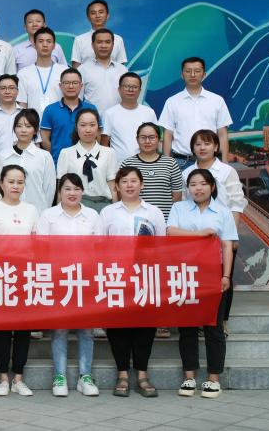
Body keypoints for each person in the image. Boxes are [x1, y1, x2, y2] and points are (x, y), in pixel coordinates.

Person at [167, 169, 236, 399]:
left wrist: (226, 276)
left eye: (203, 184)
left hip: (212, 275)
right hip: (184, 274)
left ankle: (214, 380)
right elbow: (170, 232)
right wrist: (200, 234)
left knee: (213, 328)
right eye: (193, 184)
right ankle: (189, 378)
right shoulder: (178, 208)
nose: (198, 188)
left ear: (212, 187)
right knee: (187, 328)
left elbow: (227, 245)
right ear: (188, 188)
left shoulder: (223, 212)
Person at [100, 166, 166, 398]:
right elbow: (99, 246)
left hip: (145, 277)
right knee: (118, 327)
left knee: (145, 327)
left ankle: (142, 375)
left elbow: (161, 246)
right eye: (124, 181)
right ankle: (122, 374)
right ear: (117, 186)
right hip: (116, 276)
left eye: (134, 181)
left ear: (142, 184)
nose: (129, 185)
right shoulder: (108, 212)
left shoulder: (154, 212)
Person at [36, 173, 103, 397]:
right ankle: (59, 376)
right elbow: (41, 249)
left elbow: (100, 248)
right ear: (59, 192)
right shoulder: (48, 215)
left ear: (82, 191)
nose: (72, 193)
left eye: (76, 188)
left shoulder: (92, 215)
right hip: (58, 279)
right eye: (67, 188)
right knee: (59, 329)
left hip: (86, 279)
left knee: (86, 330)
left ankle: (86, 376)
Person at [0, 165, 39, 396]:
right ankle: (3, 378)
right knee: (3, 328)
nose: (16, 186)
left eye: (20, 182)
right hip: (0, 273)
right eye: (11, 181)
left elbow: (35, 244)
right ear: (1, 183)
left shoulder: (31, 210)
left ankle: (19, 378)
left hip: (24, 274)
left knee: (23, 328)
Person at [182, 129, 246, 328]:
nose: (202, 148)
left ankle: (221, 321)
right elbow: (184, 204)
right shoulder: (186, 173)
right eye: (198, 144)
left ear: (216, 147)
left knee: (223, 279)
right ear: (193, 148)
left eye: (207, 143)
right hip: (195, 237)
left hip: (222, 235)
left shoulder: (227, 171)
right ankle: (199, 320)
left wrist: (232, 235)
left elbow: (236, 203)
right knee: (197, 279)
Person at [159, 57, 232, 168]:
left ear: (204, 74)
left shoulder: (217, 100)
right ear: (182, 75)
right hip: (181, 162)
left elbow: (222, 133)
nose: (192, 75)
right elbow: (168, 135)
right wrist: (167, 164)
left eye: (197, 71)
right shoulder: (172, 102)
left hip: (211, 162)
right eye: (188, 71)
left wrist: (225, 162)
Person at [56, 108, 117, 211]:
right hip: (75, 205)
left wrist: (115, 212)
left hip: (103, 206)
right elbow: (61, 188)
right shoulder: (66, 153)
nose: (88, 130)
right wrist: (59, 211)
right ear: (76, 127)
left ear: (98, 128)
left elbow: (113, 187)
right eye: (83, 125)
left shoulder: (109, 153)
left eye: (92, 125)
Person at [120, 122, 183, 221]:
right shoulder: (127, 164)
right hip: (135, 221)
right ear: (137, 139)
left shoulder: (170, 163)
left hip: (165, 221)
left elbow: (177, 196)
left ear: (159, 139)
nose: (147, 141)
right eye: (143, 137)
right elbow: (122, 194)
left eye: (152, 137)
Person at [1, 109, 55, 215]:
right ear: (14, 129)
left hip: (37, 213)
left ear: (35, 130)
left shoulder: (44, 156)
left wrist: (43, 212)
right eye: (19, 126)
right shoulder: (4, 155)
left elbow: (49, 189)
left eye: (28, 126)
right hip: (8, 213)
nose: (23, 130)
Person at [40, 68, 99, 160]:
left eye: (75, 83)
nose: (71, 86)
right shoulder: (50, 110)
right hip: (58, 162)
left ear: (81, 86)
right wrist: (58, 156)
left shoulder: (91, 109)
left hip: (86, 162)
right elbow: (44, 139)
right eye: (66, 83)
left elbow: (97, 135)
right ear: (60, 86)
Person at [101, 73, 158, 163]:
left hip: (145, 165)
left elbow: (156, 140)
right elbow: (104, 145)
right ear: (119, 89)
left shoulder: (149, 112)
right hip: (118, 166)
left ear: (140, 90)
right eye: (126, 86)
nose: (130, 90)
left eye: (135, 87)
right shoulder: (109, 113)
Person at [17, 27, 68, 115]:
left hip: (59, 121)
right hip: (34, 122)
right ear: (34, 44)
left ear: (54, 46)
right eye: (40, 41)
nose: (45, 45)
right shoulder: (23, 73)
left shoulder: (64, 71)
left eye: (49, 41)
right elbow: (22, 104)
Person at [78, 29, 128, 113]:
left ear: (113, 45)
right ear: (92, 45)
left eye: (107, 42)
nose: (103, 46)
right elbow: (77, 99)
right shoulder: (82, 70)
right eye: (99, 42)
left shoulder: (123, 70)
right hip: (91, 119)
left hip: (117, 118)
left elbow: (128, 98)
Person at [71, 0, 128, 68]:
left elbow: (121, 68)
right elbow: (76, 68)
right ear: (88, 17)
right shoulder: (79, 40)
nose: (97, 16)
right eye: (93, 13)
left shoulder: (118, 39)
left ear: (107, 15)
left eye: (101, 12)